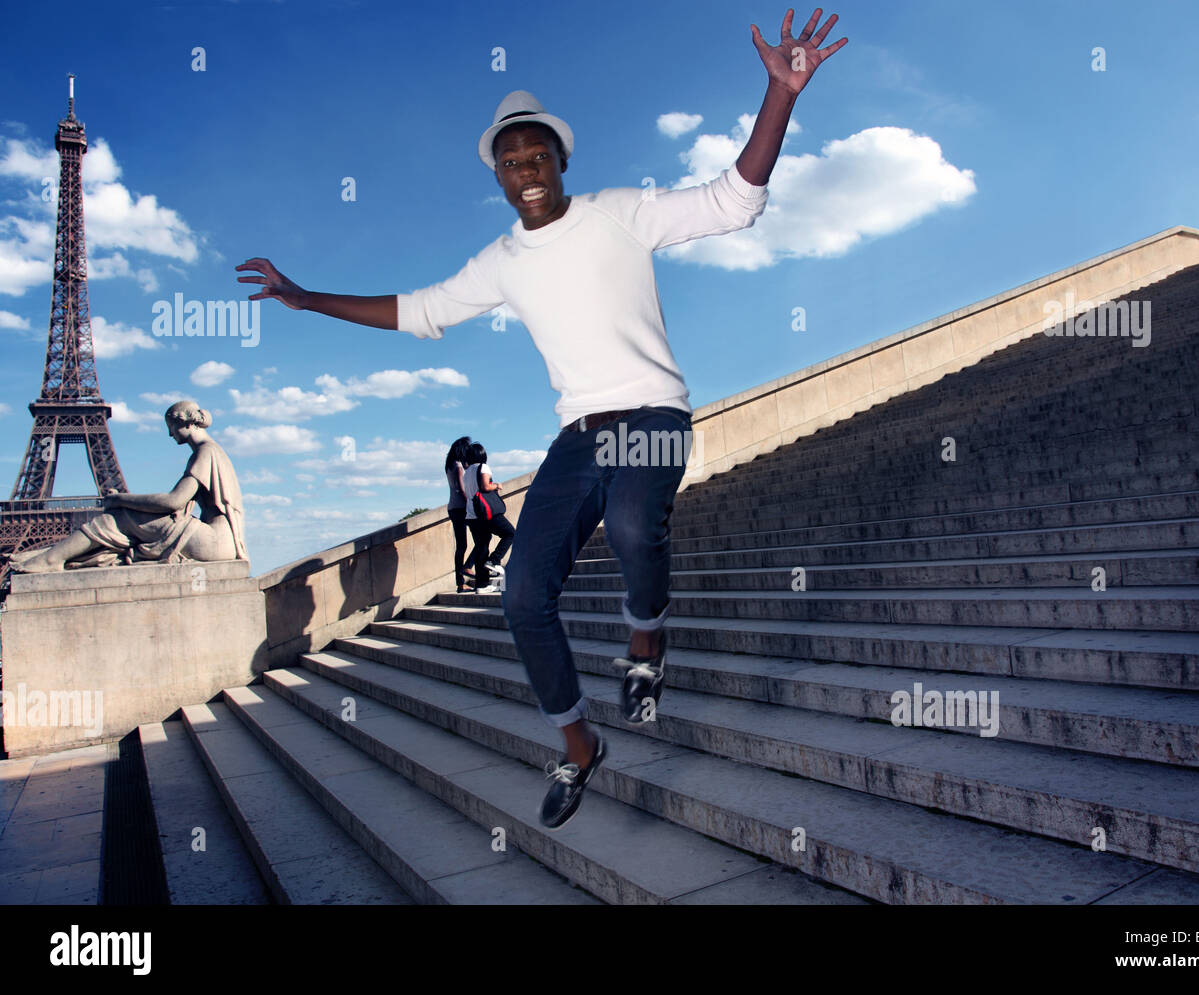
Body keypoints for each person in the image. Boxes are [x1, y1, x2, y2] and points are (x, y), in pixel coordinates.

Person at [236, 8, 847, 829]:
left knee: (634, 523)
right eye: (511, 163)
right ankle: (580, 743)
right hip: (578, 435)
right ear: (497, 176)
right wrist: (306, 297)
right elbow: (416, 309)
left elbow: (733, 200)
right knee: (521, 592)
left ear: (562, 160)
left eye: (538, 157)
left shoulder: (618, 213)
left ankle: (645, 644)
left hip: (654, 414)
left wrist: (779, 95)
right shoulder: (500, 262)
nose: (526, 172)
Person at [9, 401, 247, 572]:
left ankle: (52, 559)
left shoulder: (205, 453)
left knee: (118, 518)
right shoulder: (209, 451)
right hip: (213, 540)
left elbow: (173, 501)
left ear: (181, 422)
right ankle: (52, 554)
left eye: (170, 427)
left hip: (215, 542)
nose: (169, 434)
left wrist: (122, 499)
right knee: (126, 524)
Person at [462, 441, 514, 592]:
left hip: (472, 515)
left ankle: (482, 584)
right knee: (510, 533)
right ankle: (494, 560)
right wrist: (497, 485)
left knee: (481, 547)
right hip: (486, 512)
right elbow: (485, 487)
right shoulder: (483, 467)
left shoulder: (467, 473)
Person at [445, 436, 475, 592]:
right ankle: (467, 567)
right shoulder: (458, 466)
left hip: (453, 507)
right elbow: (462, 489)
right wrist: (472, 504)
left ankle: (460, 582)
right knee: (482, 538)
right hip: (462, 508)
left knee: (461, 546)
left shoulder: (449, 466)